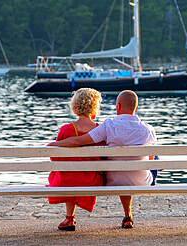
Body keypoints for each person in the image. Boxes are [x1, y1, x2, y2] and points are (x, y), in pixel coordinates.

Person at [48, 90, 157, 229]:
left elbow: (77, 141)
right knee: (148, 159)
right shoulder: (149, 130)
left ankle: (70, 217)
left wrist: (53, 145)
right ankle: (127, 216)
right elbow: (152, 160)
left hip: (113, 180)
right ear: (136, 107)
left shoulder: (108, 126)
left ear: (118, 106)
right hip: (142, 181)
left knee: (121, 164)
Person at [47, 88, 105, 231]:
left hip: (66, 179)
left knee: (67, 172)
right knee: (75, 173)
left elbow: (55, 156)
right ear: (95, 107)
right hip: (91, 179)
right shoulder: (100, 129)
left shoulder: (66, 129)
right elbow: (105, 157)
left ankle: (69, 218)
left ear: (74, 106)